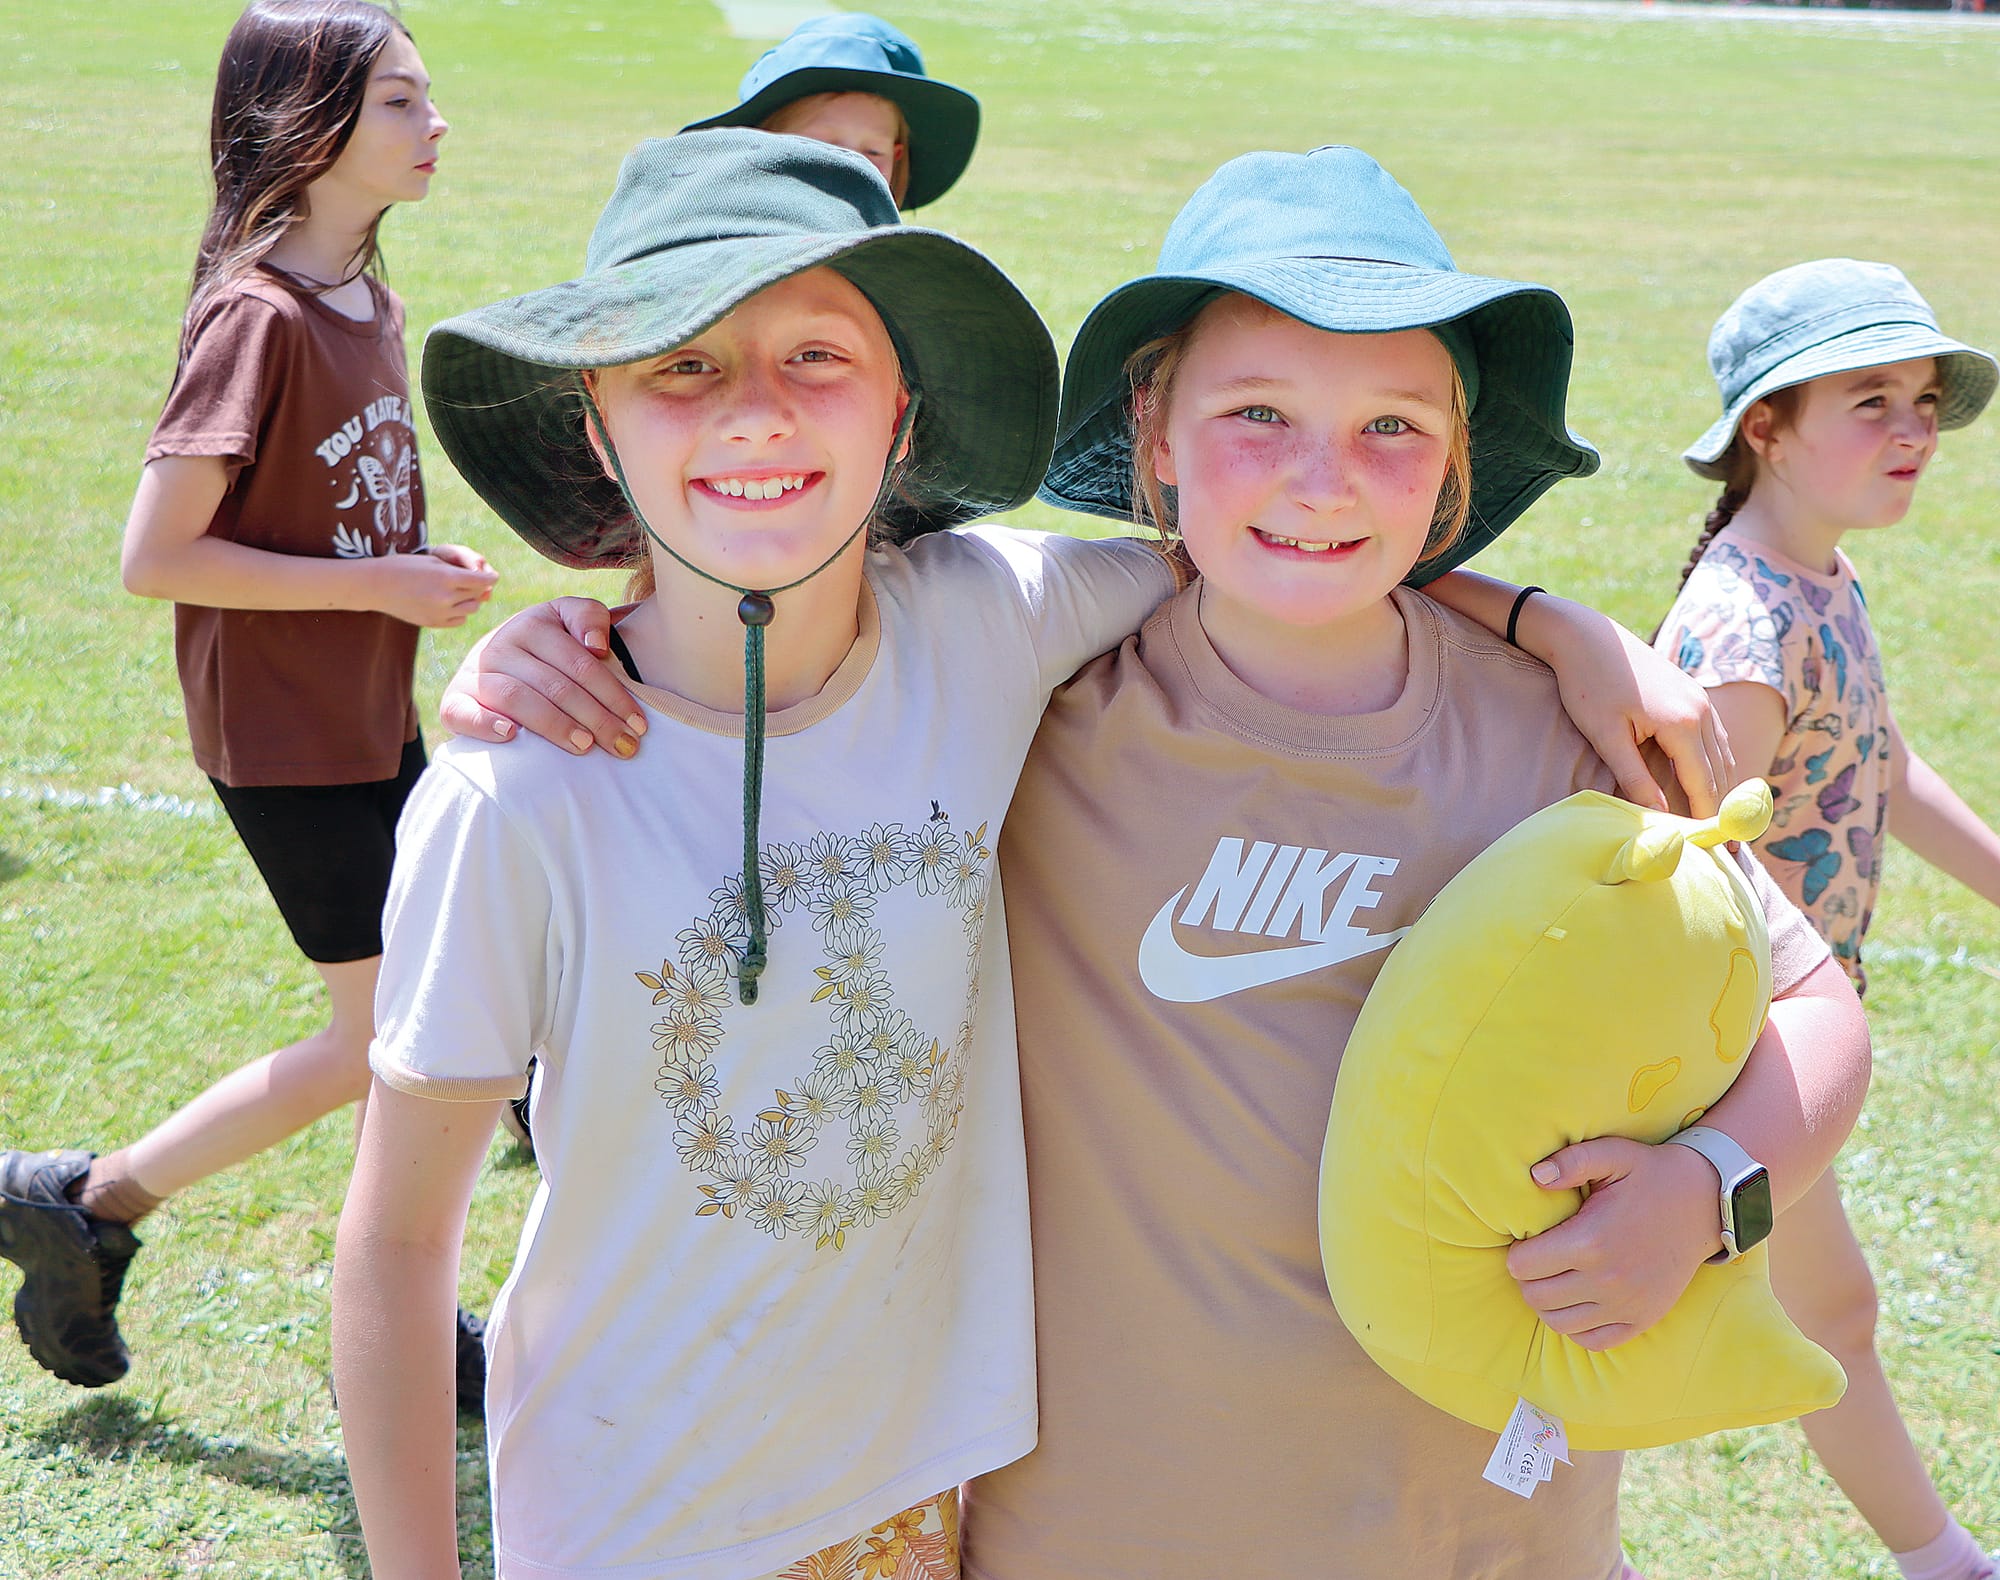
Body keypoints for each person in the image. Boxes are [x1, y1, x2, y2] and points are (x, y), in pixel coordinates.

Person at [435, 147, 1866, 1579]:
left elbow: (1814, 1011)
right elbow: (788, 647)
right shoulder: (1031, 706)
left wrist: (1712, 1188)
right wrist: (562, 656)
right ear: (1156, 433)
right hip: (1101, 1530)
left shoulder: (1558, 731)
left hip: (1492, 1527)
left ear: (1455, 466)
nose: (1322, 478)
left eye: (1392, 428)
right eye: (1257, 413)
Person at [333, 127, 1178, 1580]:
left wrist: (1557, 628)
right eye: (684, 366)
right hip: (637, 1520)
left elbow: (1271, 546)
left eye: (816, 359)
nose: (755, 416)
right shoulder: (517, 797)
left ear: (902, 414)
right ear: (598, 425)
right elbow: (398, 1249)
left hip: (921, 1488)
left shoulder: (984, 621)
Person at [0, 0, 495, 1403]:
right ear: (304, 121)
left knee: (432, 1024)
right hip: (287, 740)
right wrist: (380, 589)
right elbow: (156, 555)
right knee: (393, 1037)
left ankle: (85, 1209)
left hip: (367, 718)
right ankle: (95, 1206)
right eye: (399, 100)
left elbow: (339, 509)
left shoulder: (367, 299)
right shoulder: (255, 314)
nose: (433, 122)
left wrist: (412, 569)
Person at [1655, 258, 2000, 1580]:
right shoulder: (1741, 631)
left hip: (1789, 1031)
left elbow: (1886, 765)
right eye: (1872, 400)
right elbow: (1695, 870)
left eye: (1922, 400)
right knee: (1807, 1308)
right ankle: (1942, 1559)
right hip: (1735, 1038)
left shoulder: (1824, 580)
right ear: (1767, 431)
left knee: (1772, 1310)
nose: (1914, 430)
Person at [682, 11, 980, 209]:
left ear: (896, 156)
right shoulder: (720, 243)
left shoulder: (894, 269)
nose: (851, 165)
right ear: (764, 145)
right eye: (821, 146)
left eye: (874, 152)